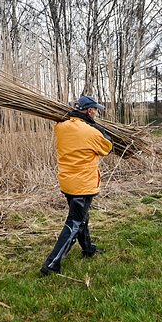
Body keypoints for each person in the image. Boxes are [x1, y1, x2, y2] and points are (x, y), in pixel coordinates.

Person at [41, 95, 113, 276]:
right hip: (83, 185)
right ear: (89, 111)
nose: (96, 113)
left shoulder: (61, 127)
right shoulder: (90, 132)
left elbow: (68, 124)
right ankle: (51, 264)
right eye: (95, 110)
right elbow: (108, 147)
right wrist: (98, 128)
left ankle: (88, 249)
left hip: (67, 182)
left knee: (81, 218)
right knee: (74, 222)